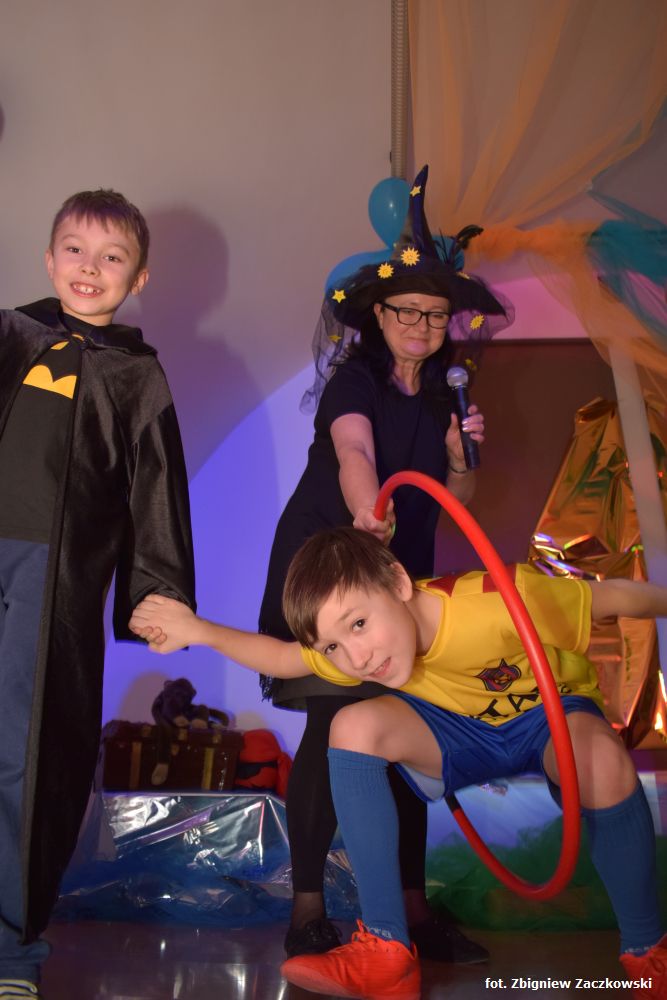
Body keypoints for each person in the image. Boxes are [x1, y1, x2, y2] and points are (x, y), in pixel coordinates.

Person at [130, 526, 666, 1000]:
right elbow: (284, 657)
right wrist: (197, 630)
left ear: (399, 582)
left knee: (601, 757)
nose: (357, 658)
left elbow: (613, 596)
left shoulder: (500, 599)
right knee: (352, 724)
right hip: (460, 734)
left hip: (550, 718)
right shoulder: (355, 650)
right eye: (333, 647)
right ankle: (386, 950)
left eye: (359, 624)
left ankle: (647, 956)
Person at [257, 164, 512, 961]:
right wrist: (368, 514)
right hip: (333, 565)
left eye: (434, 314)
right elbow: (354, 453)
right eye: (406, 310)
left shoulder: (443, 394)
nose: (421, 325)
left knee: (405, 726)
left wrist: (458, 456)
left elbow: (455, 497)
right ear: (378, 313)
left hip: (399, 573)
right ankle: (307, 910)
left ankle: (410, 911)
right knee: (333, 722)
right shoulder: (354, 379)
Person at [0, 190, 196, 999]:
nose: (90, 267)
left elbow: (157, 489)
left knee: (25, 752)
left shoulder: (137, 375)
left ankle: (10, 951)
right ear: (49, 259)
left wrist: (160, 594)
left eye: (112, 256)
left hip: (54, 579)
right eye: (75, 250)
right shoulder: (8, 334)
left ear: (137, 277)